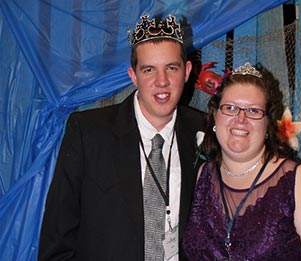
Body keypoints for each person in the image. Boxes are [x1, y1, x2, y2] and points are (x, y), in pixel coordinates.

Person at [38, 14, 205, 261]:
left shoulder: (205, 130)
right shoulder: (88, 132)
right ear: (133, 75)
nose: (162, 82)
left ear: (187, 71)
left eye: (171, 68)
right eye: (149, 70)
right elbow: (57, 238)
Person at [182, 62, 301, 260]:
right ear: (215, 116)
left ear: (267, 123)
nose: (240, 119)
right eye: (230, 108)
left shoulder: (300, 183)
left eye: (253, 111)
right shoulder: (204, 175)